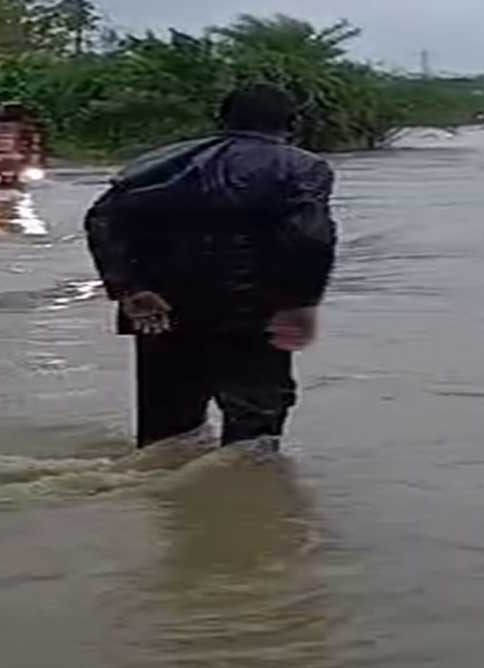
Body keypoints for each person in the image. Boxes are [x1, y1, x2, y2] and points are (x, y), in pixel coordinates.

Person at [84, 83, 337, 450]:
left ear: (221, 120)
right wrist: (302, 303)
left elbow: (102, 219)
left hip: (161, 310)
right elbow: (311, 238)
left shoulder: (158, 164)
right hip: (251, 313)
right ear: (292, 123)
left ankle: (162, 501)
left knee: (166, 437)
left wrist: (129, 288)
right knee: (254, 436)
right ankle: (244, 502)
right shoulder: (302, 167)